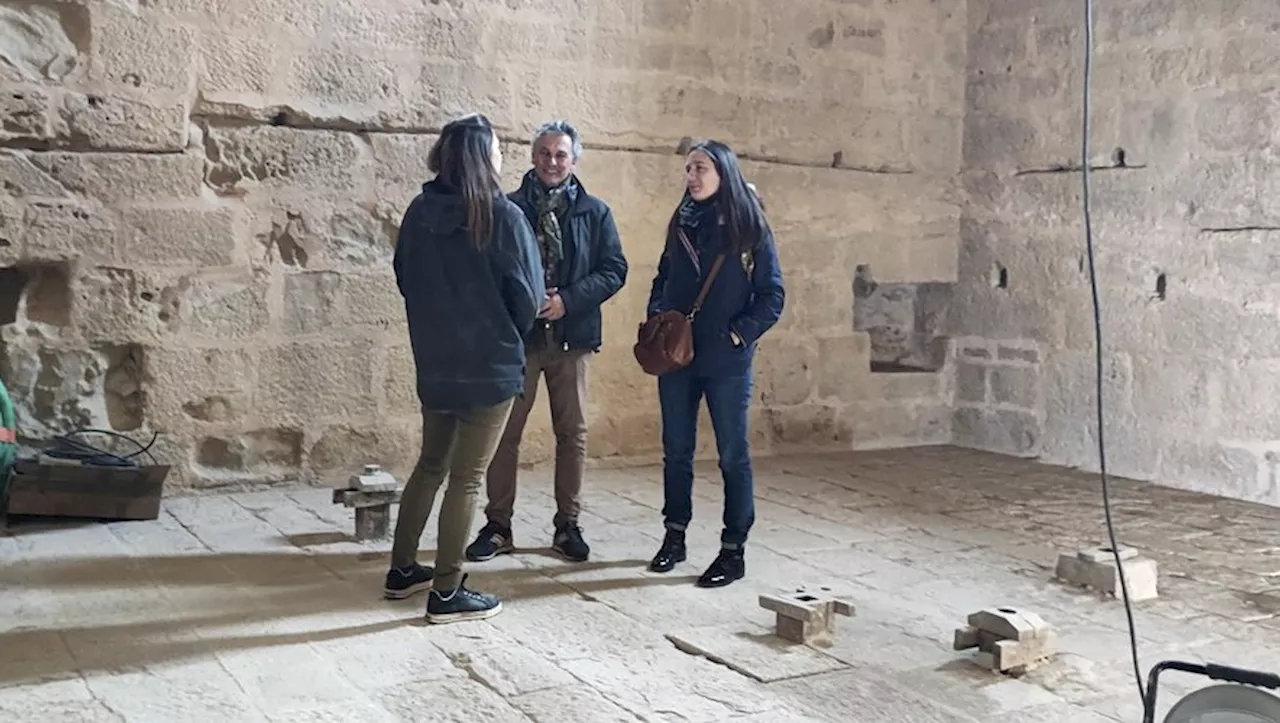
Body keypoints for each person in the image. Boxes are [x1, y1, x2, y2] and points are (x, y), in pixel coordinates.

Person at [382, 113, 545, 624]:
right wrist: (503, 334)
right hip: (490, 367)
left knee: (431, 465)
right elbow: (529, 297)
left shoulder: (418, 212)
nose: (501, 156)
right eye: (497, 147)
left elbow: (404, 276)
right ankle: (448, 592)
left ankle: (403, 569)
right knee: (468, 479)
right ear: (483, 156)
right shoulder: (502, 217)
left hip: (436, 362)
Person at [466, 120, 629, 564]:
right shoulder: (509, 208)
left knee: (572, 434)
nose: (552, 162)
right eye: (544, 153)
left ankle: (567, 524)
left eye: (560, 155)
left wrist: (568, 301)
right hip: (519, 341)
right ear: (532, 157)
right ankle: (498, 525)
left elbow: (614, 269)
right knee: (504, 434)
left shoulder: (594, 213)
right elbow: (491, 267)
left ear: (573, 160)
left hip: (571, 339)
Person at [644, 140, 785, 588]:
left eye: (700, 167)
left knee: (731, 455)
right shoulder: (680, 221)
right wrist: (656, 315)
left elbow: (772, 295)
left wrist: (738, 333)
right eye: (688, 168)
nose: (692, 176)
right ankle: (674, 536)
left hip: (726, 360)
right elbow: (664, 275)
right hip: (677, 356)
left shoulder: (749, 227)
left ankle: (733, 549)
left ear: (723, 172)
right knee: (676, 450)